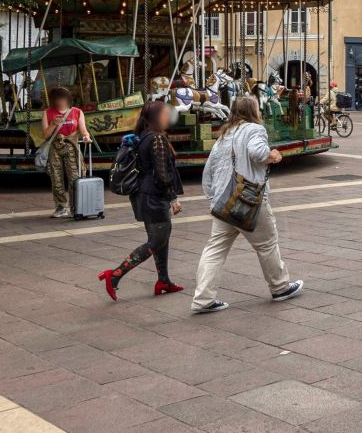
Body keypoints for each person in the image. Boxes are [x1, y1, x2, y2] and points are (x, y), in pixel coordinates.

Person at [193, 96, 304, 314]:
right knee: (266, 244)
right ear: (254, 110)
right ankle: (280, 287)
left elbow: (208, 173)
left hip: (223, 202)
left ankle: (202, 299)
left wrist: (213, 200)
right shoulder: (255, 129)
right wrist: (272, 156)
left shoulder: (223, 135)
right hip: (249, 200)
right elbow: (257, 152)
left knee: (215, 249)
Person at [98, 101, 183, 301]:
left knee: (161, 239)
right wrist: (173, 199)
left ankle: (164, 280)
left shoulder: (143, 137)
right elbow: (162, 175)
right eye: (164, 113)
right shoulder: (157, 139)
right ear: (156, 117)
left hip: (142, 196)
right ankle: (115, 275)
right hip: (154, 197)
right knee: (157, 240)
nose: (168, 117)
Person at [42, 87, 91, 218]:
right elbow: (45, 135)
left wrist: (86, 136)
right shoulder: (48, 113)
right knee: (56, 178)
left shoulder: (77, 112)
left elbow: (83, 130)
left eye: (62, 99)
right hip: (54, 148)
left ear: (68, 99)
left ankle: (76, 206)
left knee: (74, 177)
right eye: (57, 99)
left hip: (71, 147)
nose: (60, 102)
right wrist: (53, 124)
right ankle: (61, 206)